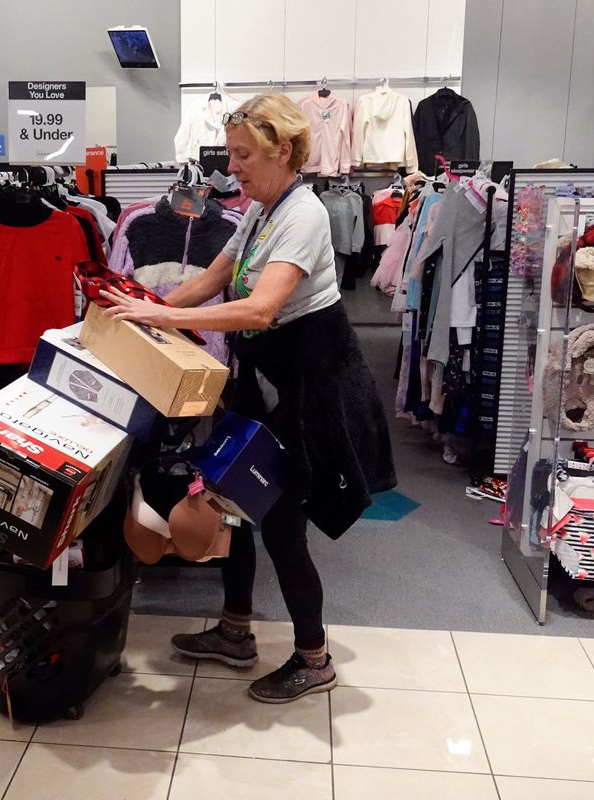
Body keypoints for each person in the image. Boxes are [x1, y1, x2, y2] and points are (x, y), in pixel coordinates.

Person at [101, 94, 396, 703]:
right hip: (267, 382)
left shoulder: (304, 216)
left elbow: (261, 308)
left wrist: (154, 312)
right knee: (233, 501)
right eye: (231, 154)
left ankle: (314, 659)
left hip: (312, 388)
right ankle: (237, 632)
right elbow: (211, 280)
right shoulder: (262, 211)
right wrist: (142, 307)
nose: (231, 167)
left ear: (283, 150)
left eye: (243, 155)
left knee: (283, 523)